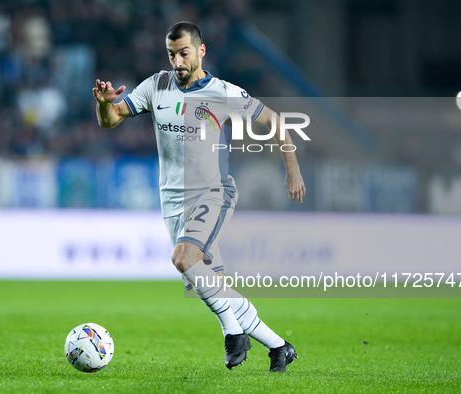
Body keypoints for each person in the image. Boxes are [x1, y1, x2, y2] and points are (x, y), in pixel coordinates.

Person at [93, 21, 306, 372]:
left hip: (212, 193)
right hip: (171, 202)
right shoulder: (156, 85)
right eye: (171, 54)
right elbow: (111, 119)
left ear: (201, 51)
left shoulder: (223, 93)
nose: (177, 61)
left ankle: (233, 334)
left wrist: (292, 169)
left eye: (184, 53)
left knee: (182, 258)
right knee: (214, 287)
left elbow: (276, 121)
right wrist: (104, 104)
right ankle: (279, 346)